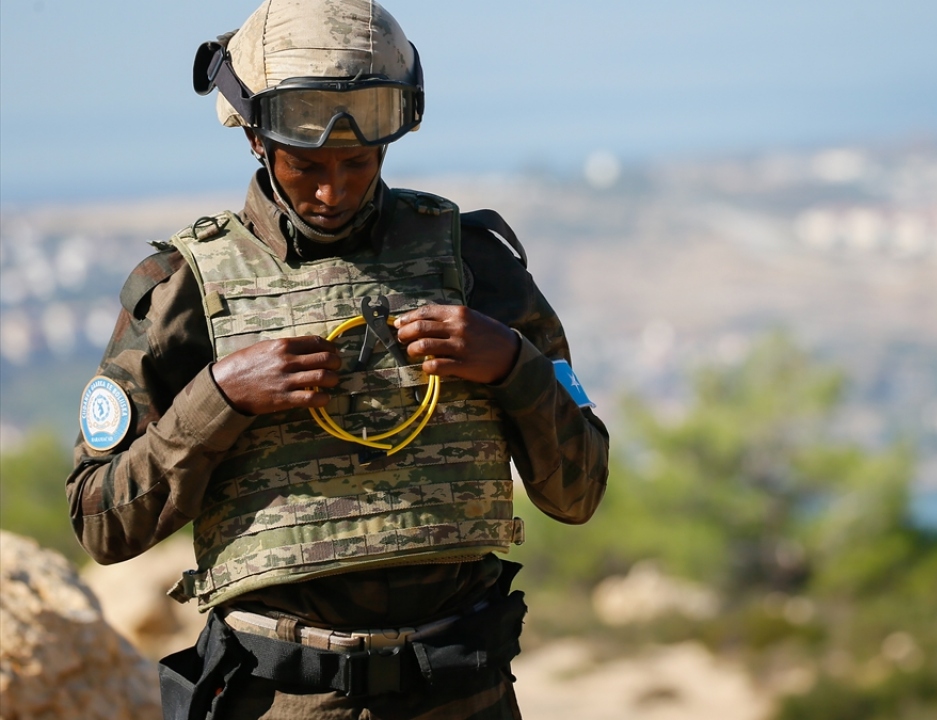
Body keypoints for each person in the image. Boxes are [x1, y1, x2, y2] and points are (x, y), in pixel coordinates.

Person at [64, 1, 609, 717]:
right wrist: (219, 398)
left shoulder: (475, 265)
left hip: (461, 694)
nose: (333, 190)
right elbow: (101, 523)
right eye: (306, 165)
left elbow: (578, 494)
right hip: (280, 697)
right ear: (256, 140)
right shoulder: (183, 293)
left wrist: (513, 365)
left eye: (357, 162)